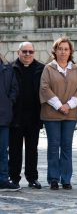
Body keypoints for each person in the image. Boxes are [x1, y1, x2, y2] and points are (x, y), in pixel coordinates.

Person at [39, 37, 77, 190]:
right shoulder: (48, 68)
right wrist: (59, 105)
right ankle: (53, 178)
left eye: (66, 49)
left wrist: (69, 105)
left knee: (66, 146)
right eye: (60, 49)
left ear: (70, 51)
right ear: (55, 51)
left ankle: (66, 179)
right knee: (53, 145)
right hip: (51, 114)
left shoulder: (76, 70)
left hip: (70, 114)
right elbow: (44, 88)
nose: (63, 52)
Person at [9, 42, 44, 189]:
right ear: (18, 53)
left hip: (34, 115)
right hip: (16, 116)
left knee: (32, 149)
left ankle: (32, 178)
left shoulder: (41, 68)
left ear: (34, 53)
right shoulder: (10, 68)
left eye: (30, 52)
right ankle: (14, 177)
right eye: (24, 51)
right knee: (14, 149)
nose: (27, 54)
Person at [0, 57, 19, 191]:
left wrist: (8, 102)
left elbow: (14, 89)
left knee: (2, 151)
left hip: (3, 117)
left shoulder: (8, 69)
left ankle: (3, 180)